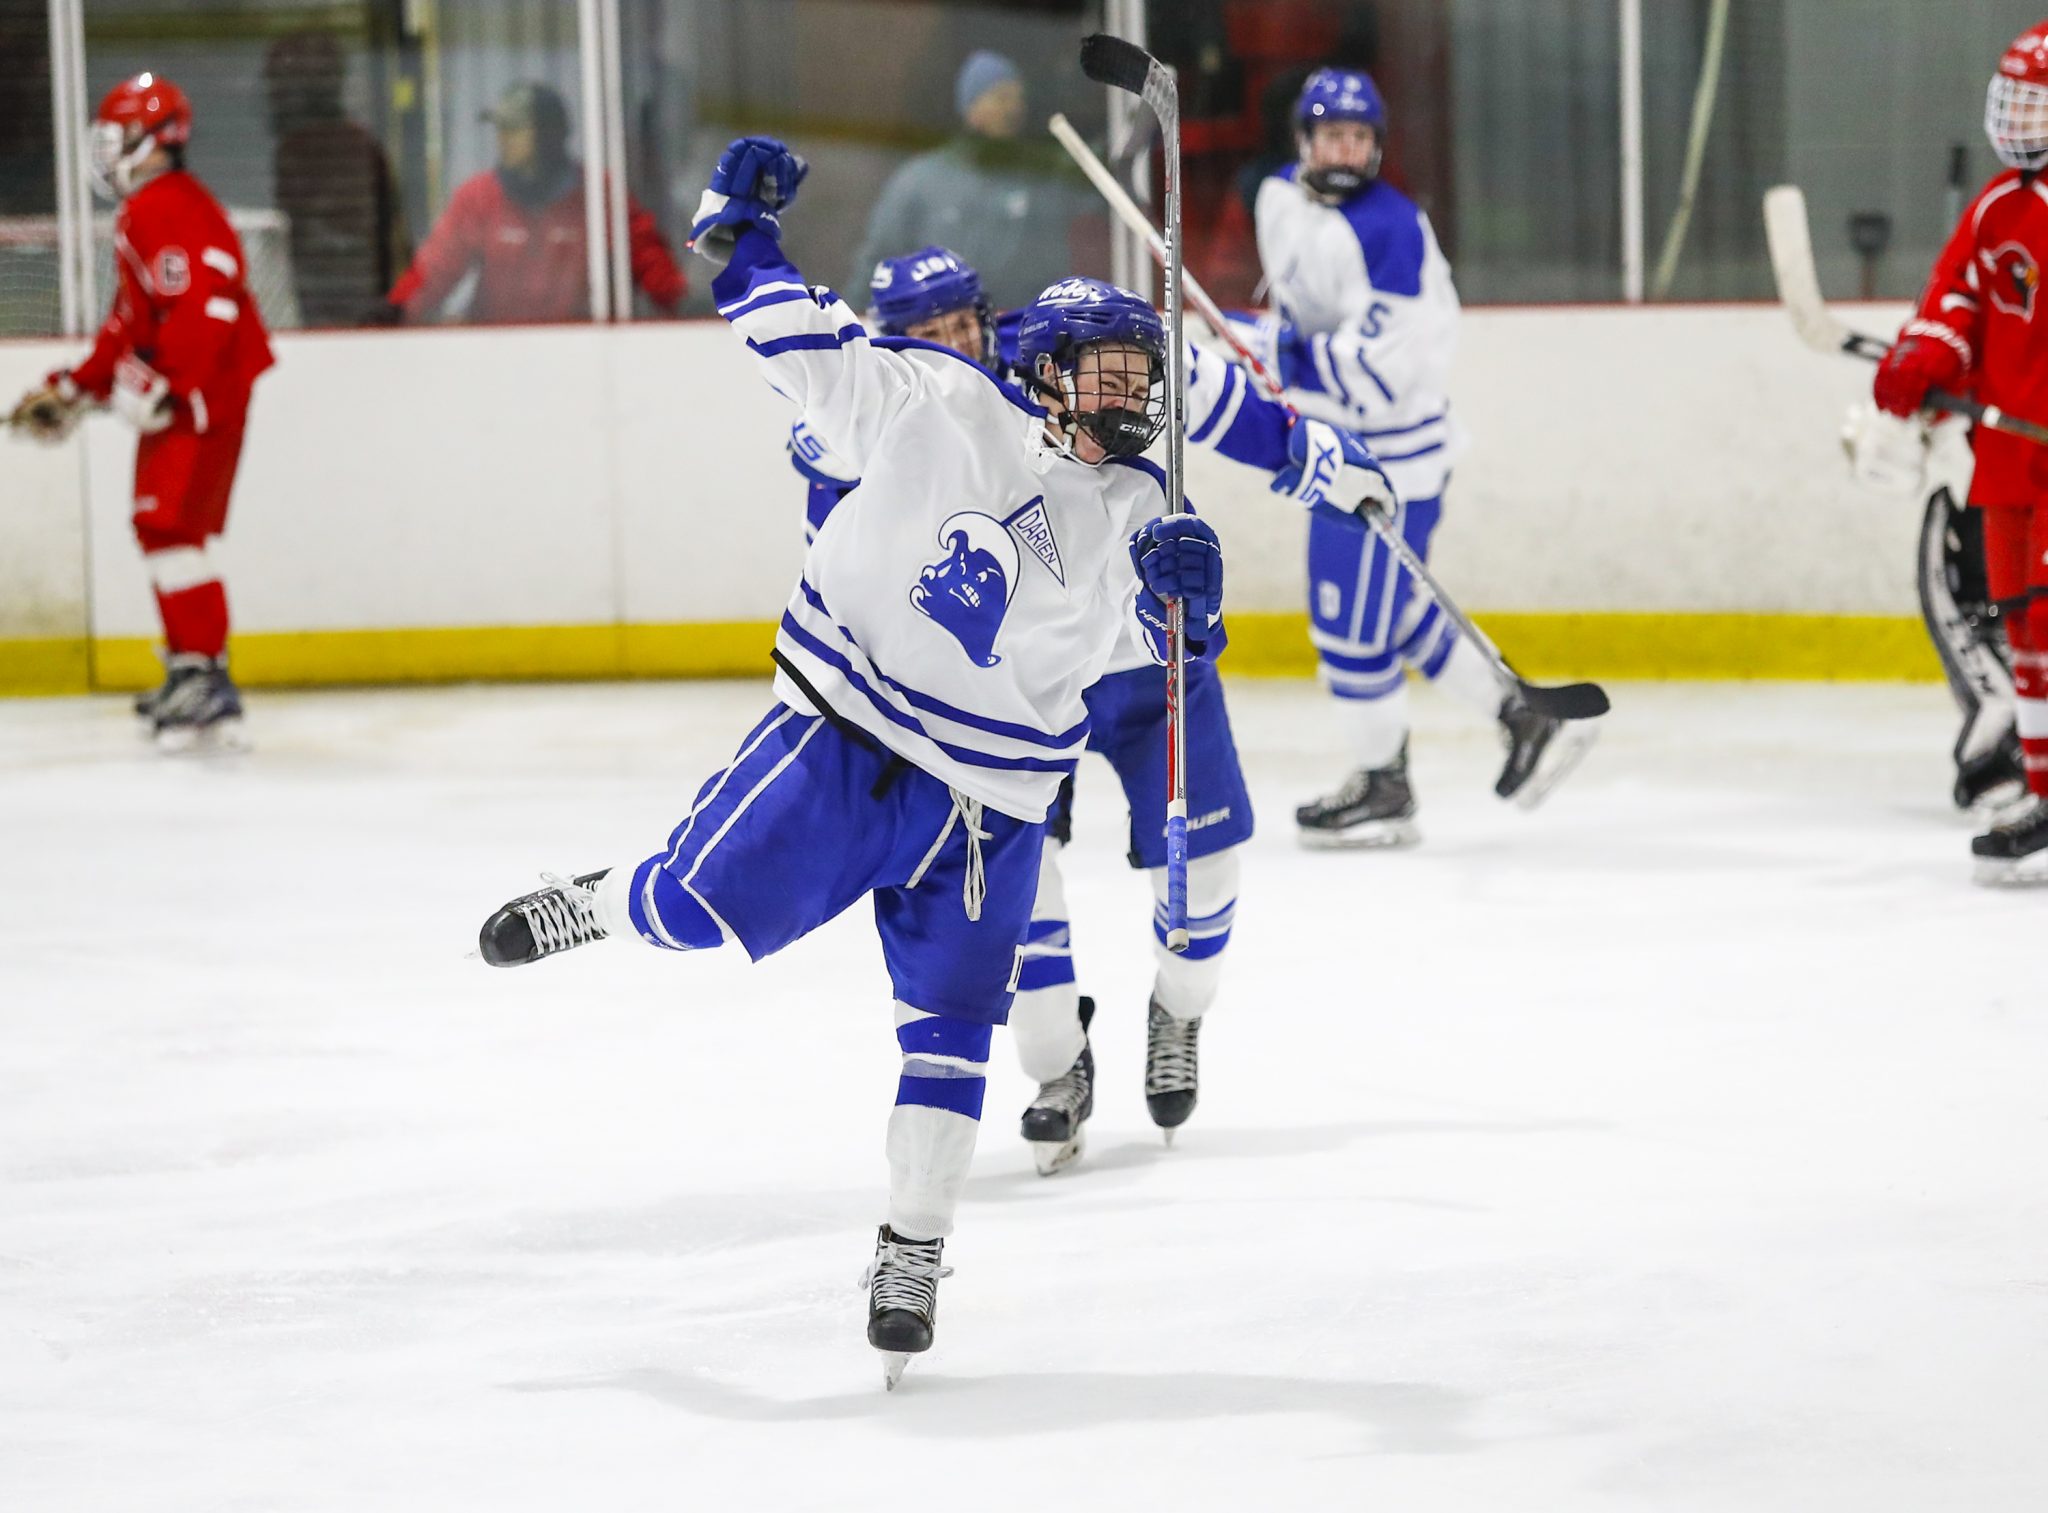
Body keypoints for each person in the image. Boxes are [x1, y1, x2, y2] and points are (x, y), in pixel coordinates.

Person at [473, 137, 1227, 1383]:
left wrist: (1186, 610)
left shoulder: (1143, 507)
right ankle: (600, 900)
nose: (1132, 397)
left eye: (1141, 378)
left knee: (950, 1037)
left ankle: (913, 1248)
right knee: (687, 912)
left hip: (989, 806)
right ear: (1046, 372)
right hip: (847, 740)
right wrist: (741, 237)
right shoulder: (942, 399)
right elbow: (808, 352)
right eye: (1108, 374)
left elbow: (1139, 652)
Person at [799, 246, 1395, 1174]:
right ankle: (1057, 1065)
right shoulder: (896, 414)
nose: (954, 344)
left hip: (1153, 670)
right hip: (1020, 694)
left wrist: (1307, 457)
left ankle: (1178, 1010)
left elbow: (1199, 388)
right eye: (927, 333)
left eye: (963, 323)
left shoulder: (1074, 353)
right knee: (1019, 891)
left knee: (1207, 877)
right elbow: (858, 574)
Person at [1254, 67, 1590, 847]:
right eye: (1332, 135)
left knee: (1349, 628)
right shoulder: (1278, 197)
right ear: (1304, 141)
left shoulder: (1392, 230)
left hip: (1390, 460)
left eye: (1360, 136)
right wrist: (1280, 344)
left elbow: (1381, 372)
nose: (1347, 149)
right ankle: (1521, 714)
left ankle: (1385, 785)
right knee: (1393, 611)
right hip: (1337, 447)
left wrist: (1278, 350)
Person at [9, 73, 273, 748]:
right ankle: (193, 667)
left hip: (201, 396)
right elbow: (130, 322)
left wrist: (167, 384)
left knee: (169, 528)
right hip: (192, 392)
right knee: (162, 528)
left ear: (158, 139)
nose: (106, 150)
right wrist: (74, 387)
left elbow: (207, 304)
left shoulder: (169, 208)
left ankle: (204, 676)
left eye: (118, 135)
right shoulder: (150, 209)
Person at [1863, 19, 2048, 881]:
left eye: (2034, 103)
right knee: (2024, 627)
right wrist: (1925, 356)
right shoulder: (1997, 208)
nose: (2017, 119)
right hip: (2008, 458)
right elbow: (1956, 297)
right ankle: (2041, 791)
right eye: (2015, 101)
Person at [369, 82, 685, 325]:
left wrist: (682, 301)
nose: (503, 138)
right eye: (500, 129)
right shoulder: (479, 197)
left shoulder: (596, 195)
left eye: (515, 129)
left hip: (577, 348)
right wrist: (398, 309)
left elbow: (648, 258)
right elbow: (436, 268)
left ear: (551, 135)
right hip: (495, 349)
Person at [847, 51, 1097, 310]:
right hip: (940, 326)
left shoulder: (1039, 179)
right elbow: (879, 260)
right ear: (971, 108)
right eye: (1001, 97)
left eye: (1018, 98)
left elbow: (1081, 224)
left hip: (1018, 325)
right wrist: (853, 319)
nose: (1013, 108)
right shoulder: (922, 180)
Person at [265, 28, 409, 327]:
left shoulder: (310, 152)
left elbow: (392, 237)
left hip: (346, 315)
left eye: (279, 85)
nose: (273, 98)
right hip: (336, 315)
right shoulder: (360, 147)